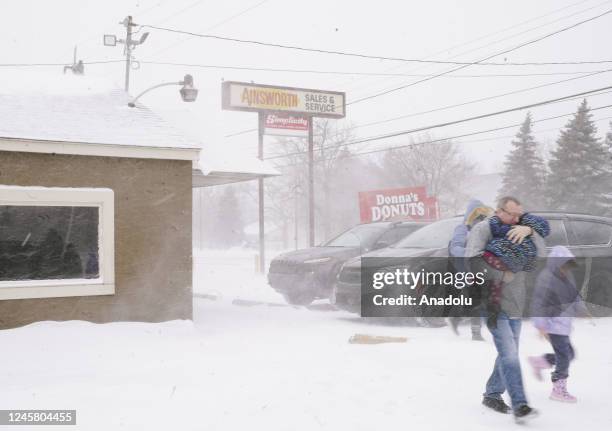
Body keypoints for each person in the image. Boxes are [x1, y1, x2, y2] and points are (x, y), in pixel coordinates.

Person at [466, 196, 547, 423]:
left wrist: (530, 232)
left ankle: (492, 394)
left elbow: (542, 253)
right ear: (499, 211)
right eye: (511, 214)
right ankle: (520, 405)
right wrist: (503, 274)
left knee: (508, 353)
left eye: (519, 215)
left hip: (515, 301)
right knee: (510, 354)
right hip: (492, 302)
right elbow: (472, 262)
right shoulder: (483, 229)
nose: (516, 218)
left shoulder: (522, 227)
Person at [528, 246, 591, 403]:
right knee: (564, 356)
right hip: (552, 324)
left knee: (570, 354)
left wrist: (581, 310)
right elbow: (538, 302)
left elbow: (574, 296)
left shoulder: (567, 277)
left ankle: (541, 362)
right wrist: (541, 325)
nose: (566, 269)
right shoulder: (546, 278)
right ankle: (558, 389)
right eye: (563, 266)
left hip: (563, 324)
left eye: (568, 266)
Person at [448, 199, 493, 341]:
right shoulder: (462, 229)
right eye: (478, 214)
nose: (481, 218)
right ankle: (476, 333)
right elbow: (455, 248)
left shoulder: (484, 228)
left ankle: (457, 318)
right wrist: (472, 251)